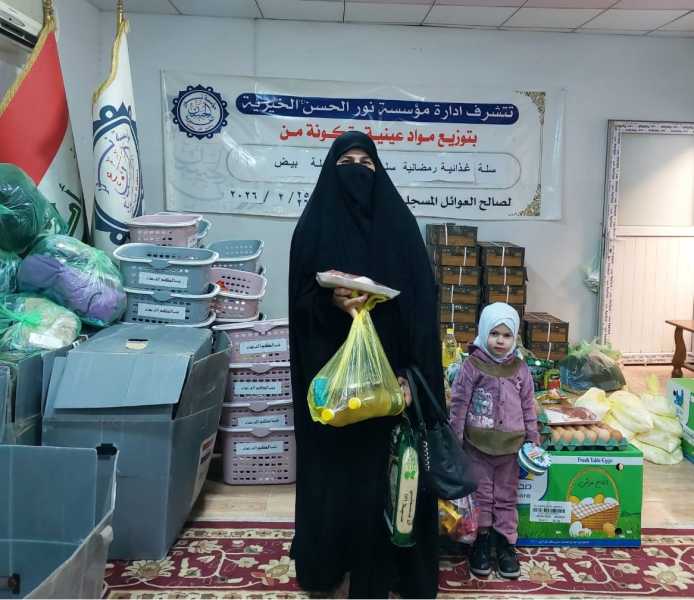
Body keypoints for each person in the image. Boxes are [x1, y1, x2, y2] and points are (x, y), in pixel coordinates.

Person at [288, 131, 443, 598]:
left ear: (380, 171)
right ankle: (329, 562)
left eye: (367, 163)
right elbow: (299, 305)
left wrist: (414, 376)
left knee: (389, 476)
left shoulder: (399, 228)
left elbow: (422, 307)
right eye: (347, 163)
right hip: (334, 389)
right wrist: (330, 301)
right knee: (336, 479)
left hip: (389, 385)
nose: (357, 170)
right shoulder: (313, 229)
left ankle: (390, 570)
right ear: (330, 171)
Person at [449, 303, 539, 579]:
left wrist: (533, 439)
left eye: (507, 335)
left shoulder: (520, 369)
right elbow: (459, 403)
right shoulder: (472, 365)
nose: (500, 340)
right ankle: (482, 541)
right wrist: (455, 440)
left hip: (511, 449)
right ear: (483, 331)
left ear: (515, 338)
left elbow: (528, 405)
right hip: (477, 447)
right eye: (494, 333)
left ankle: (505, 544)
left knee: (506, 497)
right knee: (482, 496)